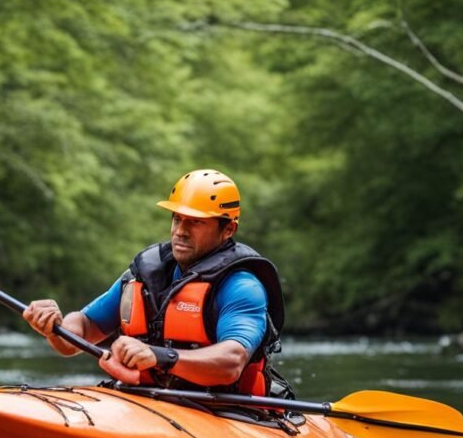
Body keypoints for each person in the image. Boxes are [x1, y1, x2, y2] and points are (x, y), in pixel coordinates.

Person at [23, 169, 290, 397]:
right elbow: (81, 330)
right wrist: (55, 327)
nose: (180, 231)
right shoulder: (146, 275)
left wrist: (158, 356)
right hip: (146, 402)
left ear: (228, 230)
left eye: (195, 222)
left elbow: (232, 361)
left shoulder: (241, 286)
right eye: (177, 219)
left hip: (223, 412)